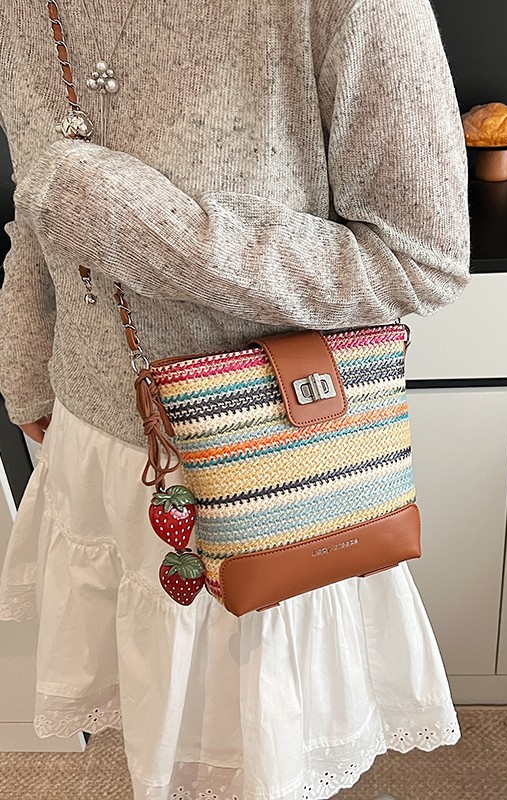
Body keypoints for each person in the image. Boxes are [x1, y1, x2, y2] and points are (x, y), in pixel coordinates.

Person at [0, 0, 471, 798]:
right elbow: (40, 202)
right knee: (160, 728)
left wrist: (159, 233)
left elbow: (421, 258)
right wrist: (24, 367)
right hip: (95, 453)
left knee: (266, 747)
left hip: (268, 465)